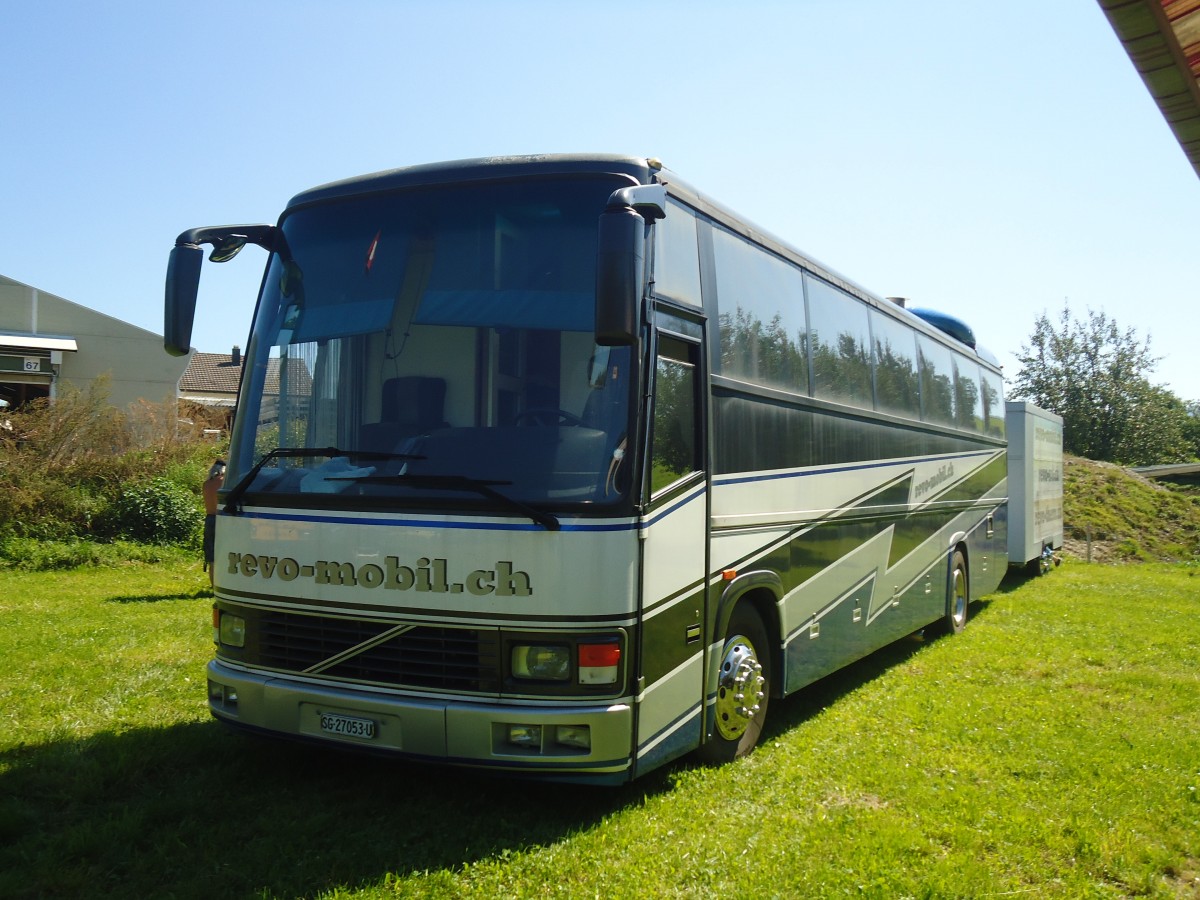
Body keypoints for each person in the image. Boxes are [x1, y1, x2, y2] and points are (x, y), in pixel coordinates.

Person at [203, 459, 226, 587]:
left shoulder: (206, 484)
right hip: (222, 519)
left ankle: (213, 584)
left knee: (211, 556)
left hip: (209, 519)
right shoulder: (224, 483)